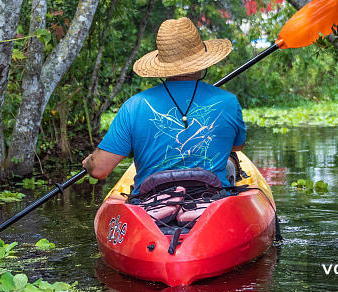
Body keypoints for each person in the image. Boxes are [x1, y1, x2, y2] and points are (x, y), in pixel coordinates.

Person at [82, 17, 246, 192]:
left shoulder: (133, 106)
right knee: (230, 164)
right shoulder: (229, 102)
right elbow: (236, 146)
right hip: (212, 202)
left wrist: (89, 163)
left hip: (152, 204)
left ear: (162, 65)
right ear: (202, 60)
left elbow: (99, 170)